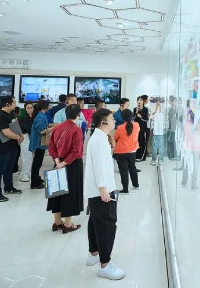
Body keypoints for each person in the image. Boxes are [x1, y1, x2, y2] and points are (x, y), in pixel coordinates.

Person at [85, 108, 125, 280]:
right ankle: (105, 264)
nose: (114, 120)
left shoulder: (99, 138)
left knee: (95, 222)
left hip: (98, 189)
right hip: (102, 190)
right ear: (103, 122)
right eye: (111, 118)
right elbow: (99, 167)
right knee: (106, 225)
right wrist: (103, 189)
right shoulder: (99, 141)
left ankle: (94, 253)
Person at [47, 104, 84, 234]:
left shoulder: (57, 128)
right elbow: (76, 151)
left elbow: (51, 146)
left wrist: (57, 160)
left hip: (57, 163)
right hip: (72, 165)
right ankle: (68, 224)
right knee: (71, 193)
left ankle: (57, 222)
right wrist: (64, 163)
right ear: (78, 114)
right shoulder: (76, 130)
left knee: (56, 192)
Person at [0, 96, 24, 202]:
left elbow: (15, 127)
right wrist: (18, 137)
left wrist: (20, 135)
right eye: (14, 102)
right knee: (0, 169)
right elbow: (6, 132)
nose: (15, 104)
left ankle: (9, 187)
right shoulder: (0, 115)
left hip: (12, 145)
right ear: (7, 104)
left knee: (9, 168)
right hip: (3, 146)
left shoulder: (11, 114)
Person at [113, 109, 139, 194]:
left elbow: (115, 137)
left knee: (123, 170)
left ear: (122, 117)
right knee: (132, 167)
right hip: (132, 150)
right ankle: (136, 185)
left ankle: (125, 189)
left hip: (121, 151)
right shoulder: (136, 125)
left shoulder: (120, 127)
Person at [29, 99, 51, 190]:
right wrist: (53, 129)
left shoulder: (42, 115)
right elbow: (42, 131)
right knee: (36, 163)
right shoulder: (40, 117)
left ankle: (37, 178)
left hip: (41, 143)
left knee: (38, 162)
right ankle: (34, 183)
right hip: (38, 143)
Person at [18, 102, 34, 182]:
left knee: (30, 156)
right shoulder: (25, 117)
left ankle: (27, 172)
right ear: (25, 109)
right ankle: (23, 174)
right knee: (27, 156)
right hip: (24, 137)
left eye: (31, 108)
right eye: (28, 108)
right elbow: (28, 128)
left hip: (30, 137)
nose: (30, 109)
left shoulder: (33, 117)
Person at [150, 100, 166, 166]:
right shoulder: (163, 115)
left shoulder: (154, 115)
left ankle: (153, 160)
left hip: (155, 133)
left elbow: (151, 120)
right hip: (161, 133)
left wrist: (157, 106)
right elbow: (164, 123)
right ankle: (161, 160)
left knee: (154, 147)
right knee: (161, 147)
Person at [133, 96, 149, 162]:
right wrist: (136, 113)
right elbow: (133, 119)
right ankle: (137, 156)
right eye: (138, 100)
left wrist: (141, 117)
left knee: (142, 142)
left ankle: (142, 157)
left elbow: (147, 119)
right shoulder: (135, 109)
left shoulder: (145, 109)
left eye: (140, 100)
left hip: (143, 128)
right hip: (136, 129)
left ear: (143, 102)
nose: (139, 101)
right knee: (137, 142)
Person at [167, 96, 178, 160]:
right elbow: (169, 118)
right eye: (174, 101)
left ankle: (174, 154)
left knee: (175, 142)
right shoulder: (170, 109)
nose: (175, 102)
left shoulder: (179, 109)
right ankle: (172, 155)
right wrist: (174, 113)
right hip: (171, 128)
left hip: (177, 128)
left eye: (176, 101)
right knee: (171, 141)